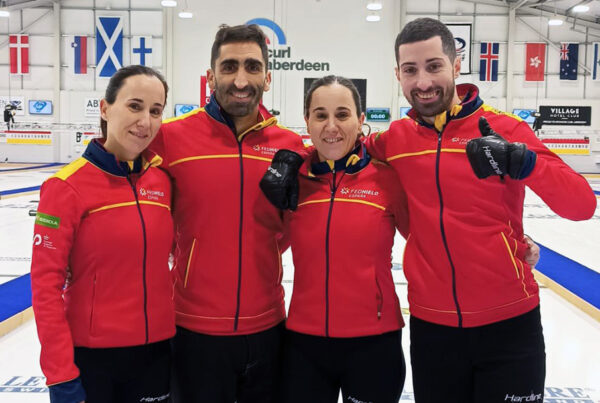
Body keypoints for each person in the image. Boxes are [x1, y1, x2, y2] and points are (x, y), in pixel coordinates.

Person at [261, 18, 596, 403]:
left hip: (509, 322)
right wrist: (295, 161)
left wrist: (527, 164)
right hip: (434, 329)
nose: (423, 82)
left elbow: (582, 206)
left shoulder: (502, 130)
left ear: (456, 65)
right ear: (398, 75)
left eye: (434, 66)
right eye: (411, 70)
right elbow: (339, 145)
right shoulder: (395, 142)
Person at [146, 24, 305, 402]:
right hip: (192, 330)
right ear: (211, 74)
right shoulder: (170, 138)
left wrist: (259, 257)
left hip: (267, 326)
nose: (240, 79)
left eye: (251, 67)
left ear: (267, 77)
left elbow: (289, 227)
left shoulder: (290, 147)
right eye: (229, 66)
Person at [30, 65, 174, 403]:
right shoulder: (66, 187)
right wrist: (61, 375)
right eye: (134, 106)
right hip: (93, 362)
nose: (145, 121)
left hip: (156, 355)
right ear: (105, 108)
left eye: (155, 111)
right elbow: (45, 288)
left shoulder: (162, 182)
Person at [272, 76, 408, 403]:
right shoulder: (294, 179)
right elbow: (265, 245)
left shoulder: (387, 177)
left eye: (342, 114)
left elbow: (430, 234)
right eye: (320, 115)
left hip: (374, 343)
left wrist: (513, 242)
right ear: (307, 121)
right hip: (304, 343)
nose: (331, 125)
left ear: (361, 121)